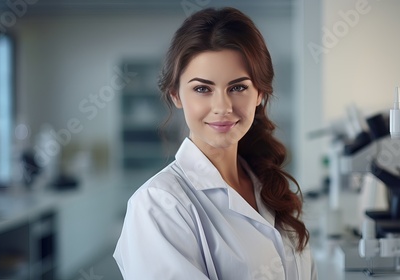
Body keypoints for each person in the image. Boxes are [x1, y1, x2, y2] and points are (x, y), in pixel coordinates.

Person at [114, 7, 318, 280]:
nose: (222, 107)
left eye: (237, 87)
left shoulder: (272, 188)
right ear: (176, 95)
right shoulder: (158, 206)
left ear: (259, 93)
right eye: (202, 89)